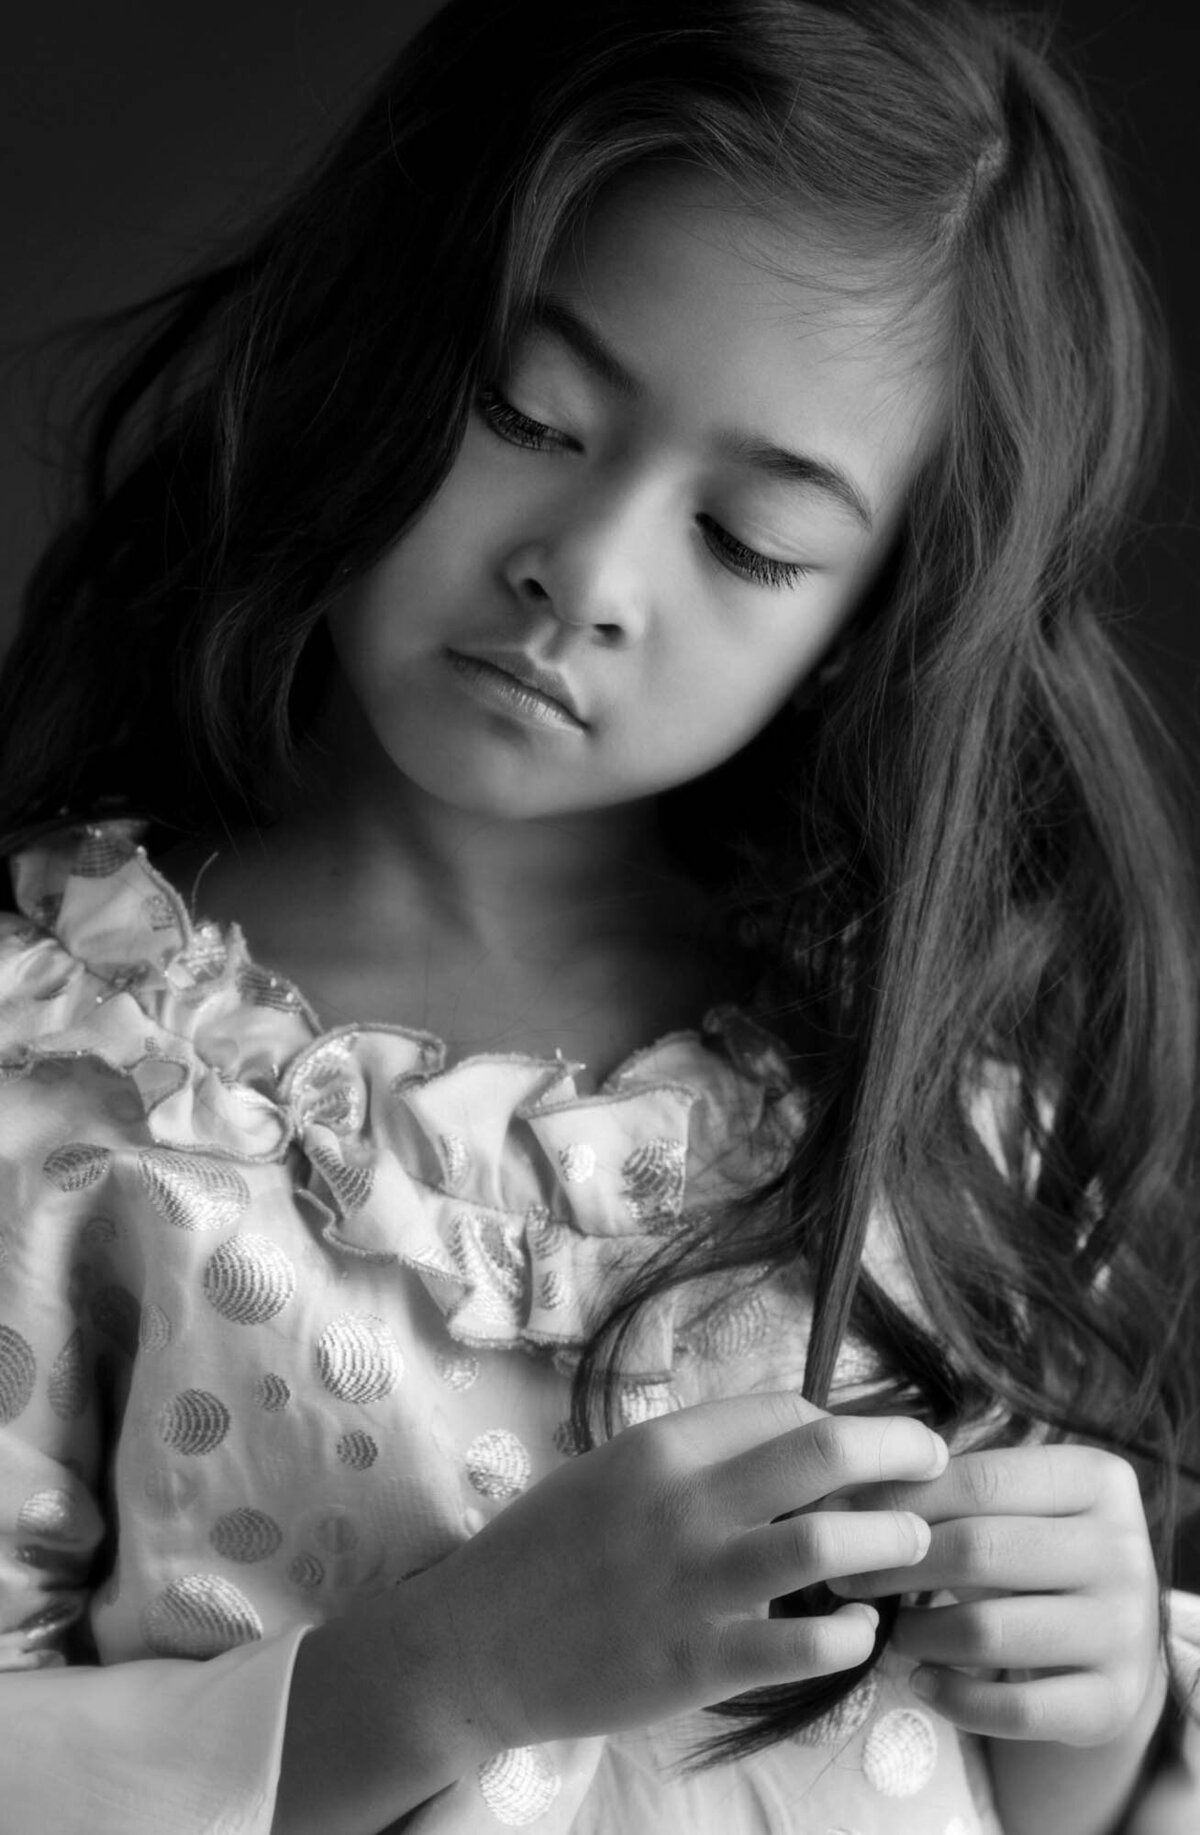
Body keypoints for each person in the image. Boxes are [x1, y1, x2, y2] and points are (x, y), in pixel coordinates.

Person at [0, 0, 1196, 1829]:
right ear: (383, 334)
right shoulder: (59, 1081)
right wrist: (448, 1673)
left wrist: (1093, 1723)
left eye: (749, 542)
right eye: (524, 410)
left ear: (871, 621)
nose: (588, 572)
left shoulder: (941, 1101)